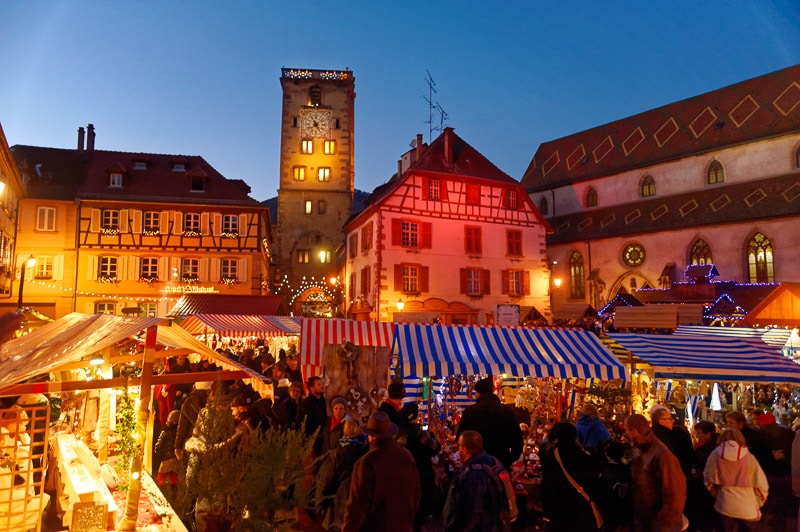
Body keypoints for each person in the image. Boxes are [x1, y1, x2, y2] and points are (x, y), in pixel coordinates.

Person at [342, 411, 420, 532]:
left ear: (370, 436)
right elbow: (416, 494)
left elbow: (357, 505)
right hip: (402, 526)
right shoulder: (406, 456)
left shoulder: (366, 462)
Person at [624, 413, 686, 531]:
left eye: (627, 430)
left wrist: (662, 524)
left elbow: (675, 495)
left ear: (634, 431)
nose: (626, 434)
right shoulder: (640, 449)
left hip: (659, 524)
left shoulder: (662, 455)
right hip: (645, 519)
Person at [540, 422, 603, 531]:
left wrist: (547, 511)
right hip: (582, 509)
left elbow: (548, 483)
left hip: (560, 507)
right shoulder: (582, 454)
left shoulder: (554, 454)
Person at [442, 429, 509, 531]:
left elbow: (469, 513)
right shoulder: (493, 462)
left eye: (459, 445)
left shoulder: (474, 475)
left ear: (465, 449)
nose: (457, 448)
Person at [703, 427, 769, 528]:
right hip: (747, 506)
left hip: (724, 504)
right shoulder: (749, 457)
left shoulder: (715, 454)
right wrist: (759, 502)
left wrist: (715, 494)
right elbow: (762, 484)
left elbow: (707, 478)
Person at [457, 376, 523, 472]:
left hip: (475, 467)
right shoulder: (506, 411)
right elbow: (518, 442)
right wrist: (508, 460)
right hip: (500, 466)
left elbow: (460, 437)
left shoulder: (470, 411)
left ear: (479, 393)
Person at [399, 403, 444, 530]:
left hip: (403, 475)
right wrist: (433, 437)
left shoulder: (397, 432)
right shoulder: (418, 432)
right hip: (421, 473)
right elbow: (434, 448)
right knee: (420, 509)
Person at [319, 419, 369, 531]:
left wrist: (323, 502)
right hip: (360, 497)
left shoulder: (338, 453)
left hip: (341, 498)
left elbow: (329, 480)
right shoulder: (366, 451)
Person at [596, 440, 633, 532]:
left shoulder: (604, 472)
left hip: (610, 511)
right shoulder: (627, 470)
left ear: (607, 455)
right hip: (625, 510)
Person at [651, 405, 694, 477]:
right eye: (670, 418)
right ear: (661, 421)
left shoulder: (664, 433)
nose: (673, 420)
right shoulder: (664, 436)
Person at [175, 381, 212, 460]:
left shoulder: (189, 402)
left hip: (192, 440)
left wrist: (178, 445)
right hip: (210, 441)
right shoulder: (212, 400)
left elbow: (183, 425)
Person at [297, 376, 328, 457]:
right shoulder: (304, 404)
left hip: (324, 439)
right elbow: (299, 424)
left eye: (322, 384)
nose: (322, 386)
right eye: (318, 384)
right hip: (310, 440)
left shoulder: (325, 402)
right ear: (311, 388)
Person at [154, 410, 181, 503]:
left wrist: (156, 451)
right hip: (176, 458)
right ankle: (174, 498)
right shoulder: (179, 431)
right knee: (174, 478)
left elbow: (159, 444)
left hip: (166, 458)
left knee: (161, 477)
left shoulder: (165, 430)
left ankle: (160, 496)